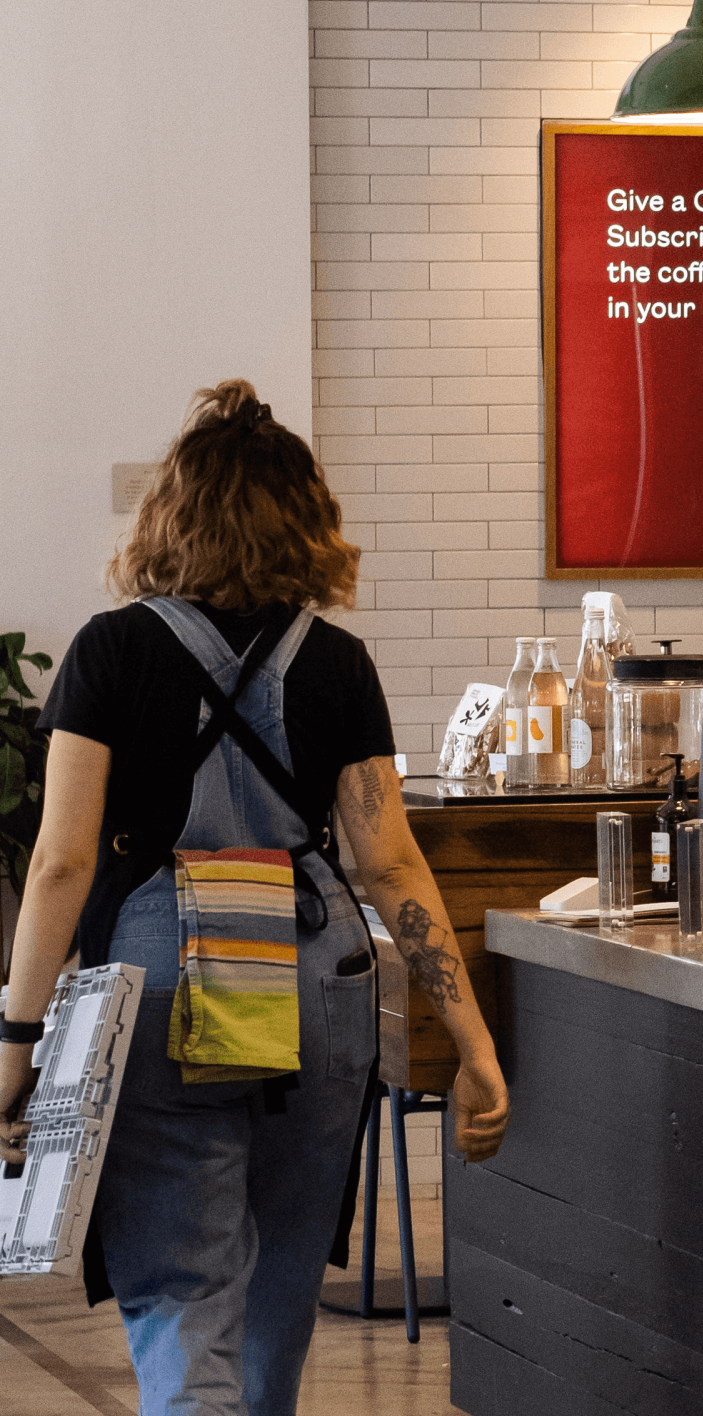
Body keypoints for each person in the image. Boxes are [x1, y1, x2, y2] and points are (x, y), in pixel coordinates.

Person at [0, 381, 511, 1416]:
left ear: (168, 517)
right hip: (318, 975)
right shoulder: (336, 663)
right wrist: (470, 1036)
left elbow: (61, 862)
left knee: (185, 1291)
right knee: (279, 1289)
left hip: (156, 980)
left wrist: (14, 1040)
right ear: (308, 522)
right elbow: (391, 866)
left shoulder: (110, 650)